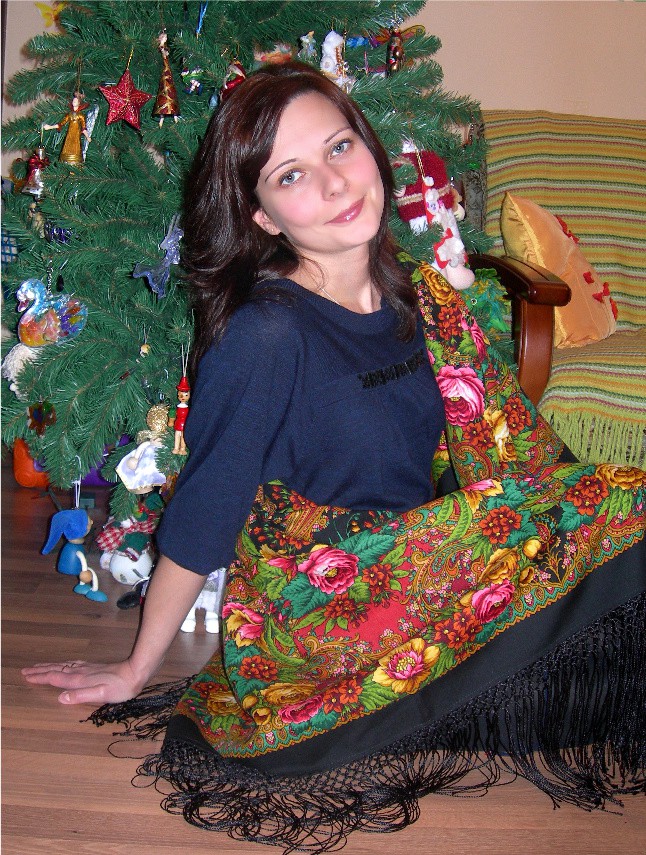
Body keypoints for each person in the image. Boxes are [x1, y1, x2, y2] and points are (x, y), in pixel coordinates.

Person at [23, 62, 645, 852]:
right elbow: (207, 510)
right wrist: (136, 668)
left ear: (370, 148)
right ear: (262, 214)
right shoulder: (266, 334)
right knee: (623, 504)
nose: (333, 183)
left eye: (339, 147)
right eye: (291, 174)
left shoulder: (417, 297)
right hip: (326, 613)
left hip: (419, 565)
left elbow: (506, 447)